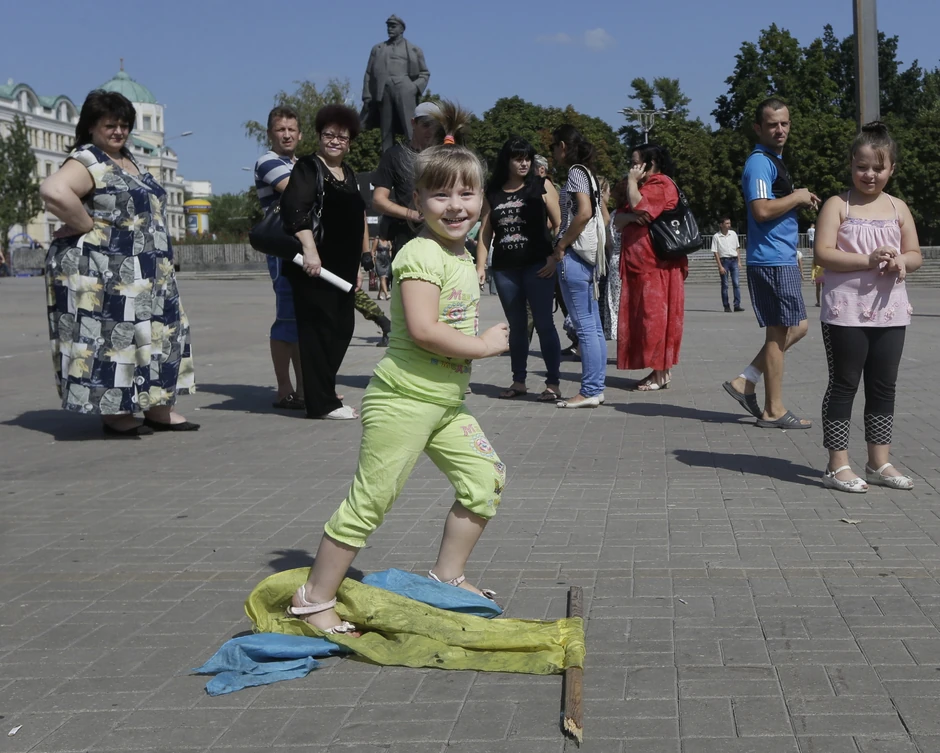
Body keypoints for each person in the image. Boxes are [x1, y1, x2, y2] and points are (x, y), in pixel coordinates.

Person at [287, 103, 510, 635]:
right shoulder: (419, 255)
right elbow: (425, 328)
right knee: (372, 499)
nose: (455, 207)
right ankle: (313, 598)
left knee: (485, 479)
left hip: (445, 404)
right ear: (417, 200)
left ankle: (447, 578)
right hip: (403, 401)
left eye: (466, 195)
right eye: (440, 195)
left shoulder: (460, 256)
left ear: (482, 199)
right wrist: (481, 346)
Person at [40, 90, 197, 437]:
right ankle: (116, 413)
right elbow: (53, 190)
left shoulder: (128, 158)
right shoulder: (87, 159)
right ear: (91, 126)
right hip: (110, 273)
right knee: (116, 339)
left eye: (124, 125)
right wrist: (85, 224)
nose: (119, 131)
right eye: (110, 125)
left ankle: (158, 407)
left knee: (161, 333)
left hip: (150, 273)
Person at [814, 122, 920, 493]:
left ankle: (879, 463)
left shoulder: (898, 208)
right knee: (844, 384)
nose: (870, 174)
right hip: (845, 312)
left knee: (883, 386)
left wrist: (902, 261)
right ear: (851, 165)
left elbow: (915, 253)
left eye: (878, 167)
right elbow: (822, 253)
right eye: (862, 166)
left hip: (891, 312)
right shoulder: (837, 205)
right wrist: (868, 259)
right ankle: (836, 465)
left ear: (892, 169)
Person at [722, 97, 820, 429]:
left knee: (796, 327)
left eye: (784, 123)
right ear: (758, 128)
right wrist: (797, 196)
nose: (780, 130)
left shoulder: (774, 161)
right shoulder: (759, 163)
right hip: (772, 259)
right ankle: (773, 409)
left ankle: (745, 380)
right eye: (772, 124)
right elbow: (761, 209)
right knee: (780, 333)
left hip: (781, 257)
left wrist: (798, 198)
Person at [280, 104, 368, 420]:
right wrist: (310, 250)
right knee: (317, 332)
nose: (334, 141)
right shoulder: (309, 167)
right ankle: (321, 404)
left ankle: (325, 393)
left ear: (350, 142)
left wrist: (359, 264)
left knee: (342, 329)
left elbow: (357, 219)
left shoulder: (349, 173)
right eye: (329, 135)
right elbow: (295, 210)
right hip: (315, 267)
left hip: (343, 269)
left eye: (341, 137)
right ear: (319, 136)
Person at [476, 136, 562, 402]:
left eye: (527, 158)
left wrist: (555, 257)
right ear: (507, 161)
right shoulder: (493, 192)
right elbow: (485, 232)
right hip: (505, 269)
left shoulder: (541, 185)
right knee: (517, 326)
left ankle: (553, 384)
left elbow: (560, 224)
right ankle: (519, 381)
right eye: (518, 158)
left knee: (545, 324)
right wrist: (480, 266)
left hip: (539, 266)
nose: (524, 163)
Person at [615, 144, 688, 391]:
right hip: (641, 266)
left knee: (655, 320)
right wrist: (631, 216)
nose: (632, 168)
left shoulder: (660, 184)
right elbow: (618, 220)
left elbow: (641, 209)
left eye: (636, 162)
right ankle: (657, 371)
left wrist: (631, 184)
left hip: (658, 266)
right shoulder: (643, 187)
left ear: (651, 163)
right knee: (646, 320)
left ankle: (661, 373)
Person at [550, 125, 609, 408]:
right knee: (593, 327)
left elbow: (584, 212)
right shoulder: (588, 173)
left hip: (573, 256)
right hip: (588, 259)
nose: (553, 152)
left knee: (585, 327)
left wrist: (562, 244)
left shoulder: (575, 172)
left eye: (553, 146)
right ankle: (596, 388)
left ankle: (589, 390)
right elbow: (602, 217)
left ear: (562, 145)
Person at [254, 106, 305, 410]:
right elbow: (297, 192)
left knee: (301, 321)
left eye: (291, 130)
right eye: (280, 130)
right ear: (270, 134)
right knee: (286, 320)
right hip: (283, 250)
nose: (286, 135)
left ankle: (305, 388)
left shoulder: (301, 164)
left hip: (304, 247)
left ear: (300, 134)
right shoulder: (268, 162)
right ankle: (284, 389)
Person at [372, 101, 442, 261]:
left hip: (441, 236)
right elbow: (378, 200)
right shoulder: (394, 155)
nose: (431, 131)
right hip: (408, 238)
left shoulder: (445, 155)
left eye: (435, 126)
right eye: (426, 125)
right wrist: (413, 215)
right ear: (413, 123)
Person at [360, 15, 431, 153]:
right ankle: (386, 159)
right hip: (384, 91)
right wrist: (367, 96)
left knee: (410, 127)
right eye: (388, 26)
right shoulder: (378, 49)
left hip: (405, 90)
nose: (390, 29)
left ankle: (414, 157)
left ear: (402, 29)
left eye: (393, 26)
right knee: (386, 130)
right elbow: (368, 73)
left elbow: (424, 73)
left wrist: (414, 87)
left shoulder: (413, 49)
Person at [602, 179, 626, 341]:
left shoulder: (614, 215)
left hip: (615, 261)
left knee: (615, 302)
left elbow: (609, 244)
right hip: (628, 260)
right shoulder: (633, 216)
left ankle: (617, 333)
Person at [713, 216, 744, 313]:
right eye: (726, 223)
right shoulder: (716, 236)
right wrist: (720, 266)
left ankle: (737, 305)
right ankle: (726, 306)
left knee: (736, 283)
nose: (728, 225)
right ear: (721, 225)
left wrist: (739, 261)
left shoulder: (733, 234)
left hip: (734, 260)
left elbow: (737, 247)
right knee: (725, 285)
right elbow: (715, 252)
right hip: (724, 261)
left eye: (729, 223)